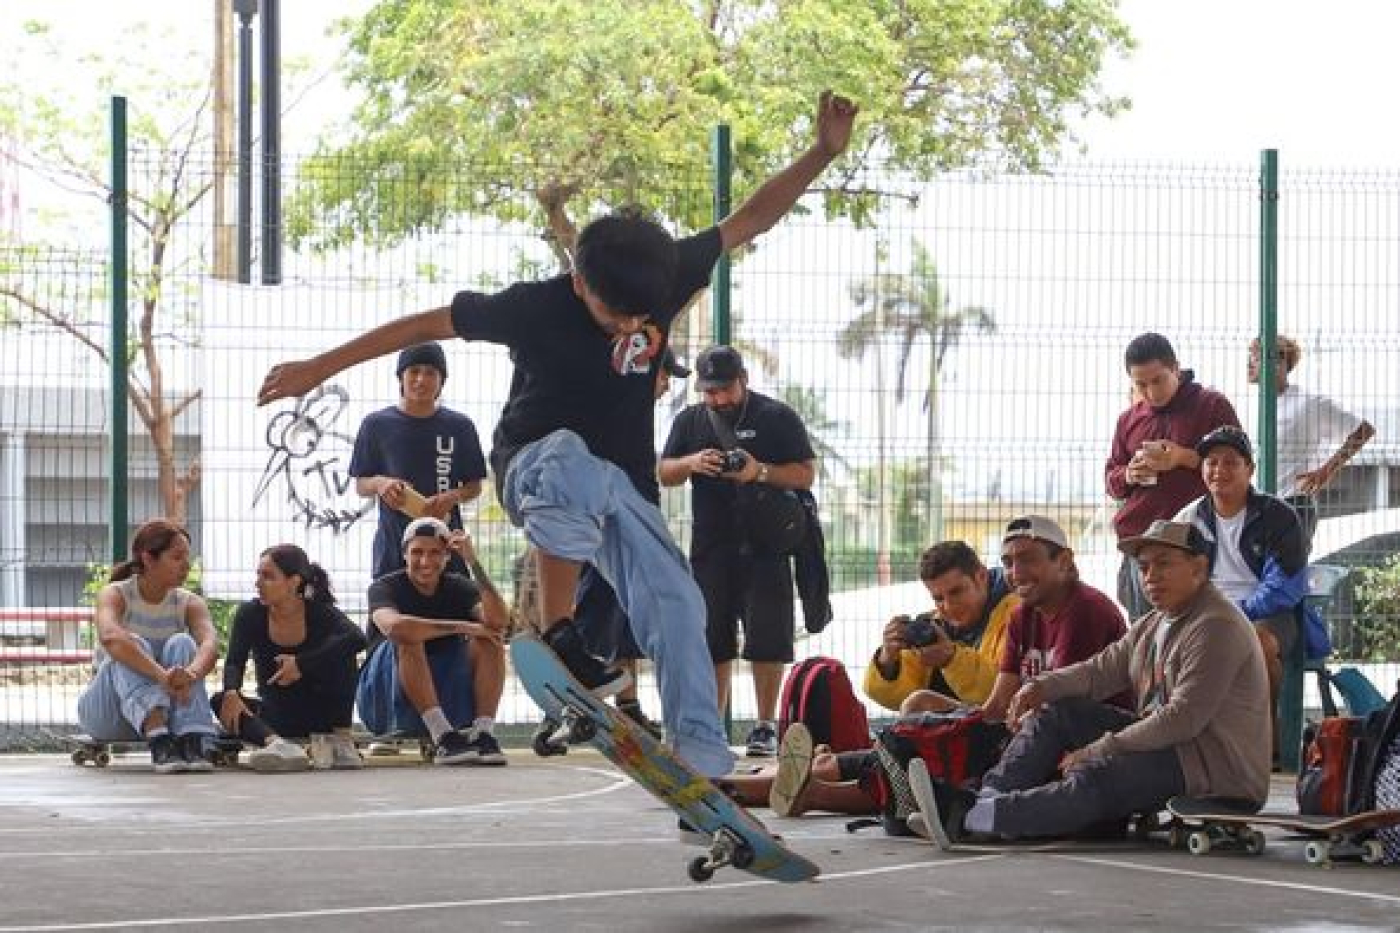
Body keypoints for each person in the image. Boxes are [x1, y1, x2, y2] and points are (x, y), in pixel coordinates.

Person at [258, 90, 858, 781]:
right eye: (613, 315)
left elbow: (749, 219)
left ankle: (702, 760)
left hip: (622, 486)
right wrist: (318, 366)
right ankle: (561, 629)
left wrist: (822, 153)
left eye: (641, 319)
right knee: (572, 458)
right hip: (532, 470)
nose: (629, 327)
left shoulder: (657, 270)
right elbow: (422, 325)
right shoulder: (534, 305)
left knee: (680, 602)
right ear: (578, 281)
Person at [919, 520, 1271, 844]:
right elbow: (1098, 671)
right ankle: (983, 800)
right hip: (1173, 748)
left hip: (1213, 767)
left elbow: (1183, 718)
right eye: (1144, 567)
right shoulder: (1155, 622)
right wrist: (1041, 686)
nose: (1150, 576)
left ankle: (972, 818)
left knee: (1097, 774)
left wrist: (1102, 747)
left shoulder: (1215, 625)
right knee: (1056, 711)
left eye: (1163, 563)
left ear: (1199, 568)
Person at [658, 344, 817, 757]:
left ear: (743, 380)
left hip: (766, 547)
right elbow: (664, 471)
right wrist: (692, 462)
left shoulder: (776, 416)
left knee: (768, 638)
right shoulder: (690, 421)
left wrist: (758, 470)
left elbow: (805, 473)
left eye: (725, 390)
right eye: (709, 392)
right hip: (711, 548)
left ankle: (765, 726)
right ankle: (711, 724)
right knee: (713, 639)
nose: (718, 399)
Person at [1175, 425, 1322, 754]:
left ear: (1249, 469)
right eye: (1211, 462)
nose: (1219, 470)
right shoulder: (1188, 519)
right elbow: (1176, 578)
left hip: (1267, 614)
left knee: (1259, 645)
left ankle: (1261, 746)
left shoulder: (1279, 517)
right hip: (1205, 612)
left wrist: (1234, 613)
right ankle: (1187, 743)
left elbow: (1283, 587)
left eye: (1230, 462)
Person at [1105, 332, 1240, 619]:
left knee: (1199, 628)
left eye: (1158, 381)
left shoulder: (1211, 405)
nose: (1151, 392)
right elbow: (1111, 480)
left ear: (1176, 369)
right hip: (1140, 540)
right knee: (1144, 635)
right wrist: (1129, 474)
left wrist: (1184, 458)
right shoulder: (1128, 420)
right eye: (1141, 384)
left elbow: (1237, 465)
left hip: (1193, 541)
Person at [357, 517, 509, 765]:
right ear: (404, 554)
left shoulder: (459, 586)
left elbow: (498, 622)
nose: (425, 562)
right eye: (417, 552)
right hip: (385, 693)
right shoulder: (384, 587)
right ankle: (443, 738)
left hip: (443, 685)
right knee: (410, 636)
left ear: (447, 557)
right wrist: (464, 626)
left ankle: (483, 733)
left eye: (435, 553)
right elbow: (394, 627)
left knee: (489, 640)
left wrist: (473, 562)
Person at [76, 519, 220, 773]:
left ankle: (192, 739)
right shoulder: (115, 594)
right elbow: (110, 637)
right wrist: (160, 675)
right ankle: (159, 740)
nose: (186, 566)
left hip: (171, 710)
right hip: (108, 714)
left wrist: (191, 674)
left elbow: (210, 645)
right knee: (130, 643)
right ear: (149, 559)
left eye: (187, 557)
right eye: (177, 557)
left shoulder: (190, 603)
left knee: (183, 642)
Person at [212, 544, 368, 772]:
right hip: (276, 714)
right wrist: (231, 691)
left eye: (268, 577)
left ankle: (341, 742)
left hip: (322, 715)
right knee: (220, 700)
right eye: (258, 575)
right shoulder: (250, 614)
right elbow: (235, 661)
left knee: (343, 651)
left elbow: (358, 638)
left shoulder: (319, 613)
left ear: (294, 581)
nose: (258, 583)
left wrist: (301, 665)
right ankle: (277, 745)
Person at [349, 341, 487, 579]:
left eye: (430, 373)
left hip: (445, 545)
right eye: (414, 371)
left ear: (441, 381)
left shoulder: (460, 426)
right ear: (400, 378)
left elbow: (474, 487)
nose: (421, 380)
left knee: (452, 611)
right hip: (394, 546)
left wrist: (452, 496)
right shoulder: (375, 425)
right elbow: (361, 485)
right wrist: (382, 484)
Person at [980, 515, 1128, 720]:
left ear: (1064, 561)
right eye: (1007, 562)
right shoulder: (1020, 616)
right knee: (923, 701)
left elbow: (1060, 705)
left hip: (1094, 739)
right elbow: (999, 704)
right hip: (1041, 729)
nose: (1016, 573)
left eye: (1028, 559)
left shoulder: (1086, 609)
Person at [1248, 335, 1375, 548]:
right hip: (1257, 504)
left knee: (1287, 577)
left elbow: (1364, 430)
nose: (1249, 362)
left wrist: (1327, 470)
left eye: (1256, 356)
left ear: (1280, 363)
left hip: (1293, 504)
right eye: (1250, 355)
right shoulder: (1255, 407)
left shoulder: (1309, 402)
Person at [865, 540, 1018, 716]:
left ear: (981, 576)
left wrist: (951, 659)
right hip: (965, 731)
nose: (949, 606)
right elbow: (895, 698)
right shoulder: (933, 625)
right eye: (938, 598)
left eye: (956, 592)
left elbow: (1001, 696)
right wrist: (888, 661)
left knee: (919, 704)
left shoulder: (1016, 615)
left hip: (1004, 725)